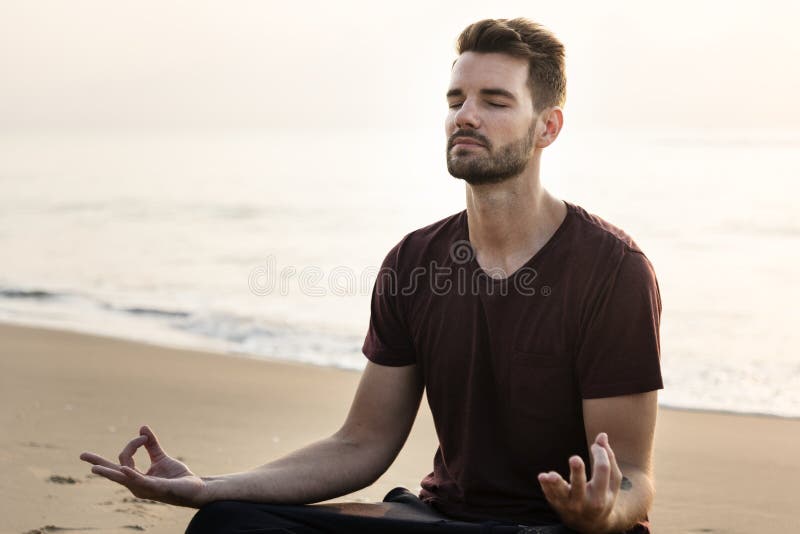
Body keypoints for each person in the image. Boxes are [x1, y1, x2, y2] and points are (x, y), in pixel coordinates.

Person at [80, 18, 662, 534]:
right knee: (227, 523)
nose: (466, 115)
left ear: (547, 127)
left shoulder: (611, 271)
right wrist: (210, 486)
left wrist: (601, 513)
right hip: (441, 519)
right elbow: (362, 443)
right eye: (456, 98)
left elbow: (633, 476)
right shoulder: (413, 262)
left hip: (548, 530)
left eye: (495, 100)